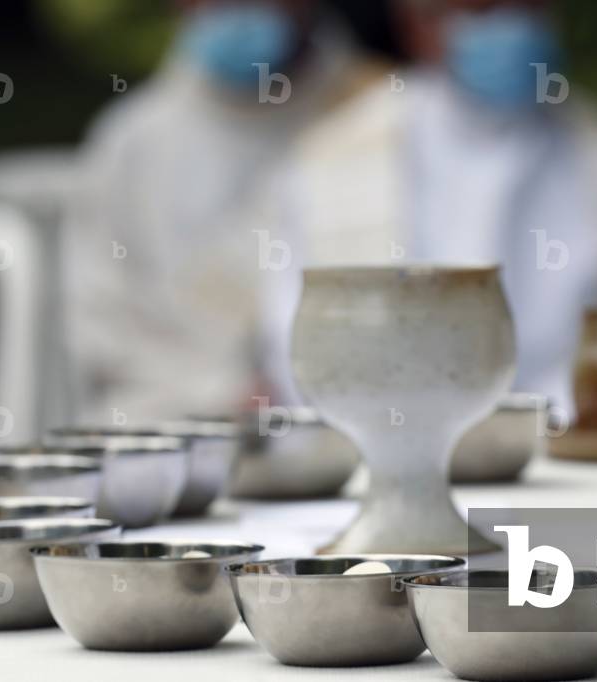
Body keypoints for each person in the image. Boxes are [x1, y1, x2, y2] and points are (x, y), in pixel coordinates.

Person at [261, 0, 597, 416]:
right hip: (377, 447)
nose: (504, 26)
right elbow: (298, 337)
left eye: (519, 8)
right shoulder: (332, 161)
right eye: (477, 10)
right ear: (415, 25)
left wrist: (542, 425)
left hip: (577, 450)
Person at [63, 0, 381, 423]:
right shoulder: (132, 143)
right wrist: (218, 394)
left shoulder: (384, 118)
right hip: (174, 432)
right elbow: (103, 334)